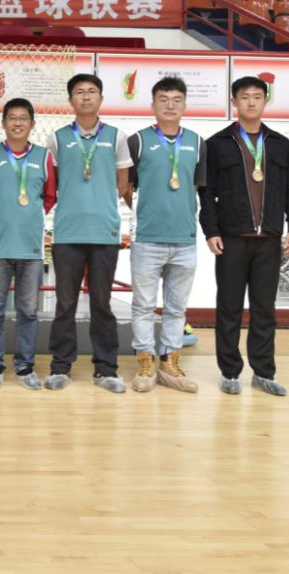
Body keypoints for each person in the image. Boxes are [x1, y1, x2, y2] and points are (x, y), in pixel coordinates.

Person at [200, 76, 289, 397]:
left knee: (264, 309)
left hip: (269, 240)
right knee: (229, 307)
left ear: (265, 101)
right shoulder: (217, 144)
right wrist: (211, 231)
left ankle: (263, 372)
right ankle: (230, 372)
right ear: (234, 102)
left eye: (257, 97)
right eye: (244, 97)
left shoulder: (280, 144)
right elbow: (207, 193)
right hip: (232, 239)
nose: (251, 102)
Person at [45, 74, 132, 393]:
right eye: (79, 92)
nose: (85, 97)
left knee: (102, 304)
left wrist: (99, 205)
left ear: (101, 98)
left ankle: (106, 369)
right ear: (70, 100)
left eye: (92, 91)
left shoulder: (117, 137)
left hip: (104, 233)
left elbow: (123, 184)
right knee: (65, 304)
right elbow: (52, 183)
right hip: (67, 233)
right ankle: (60, 366)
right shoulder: (57, 139)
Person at [123, 77, 205, 394]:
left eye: (176, 100)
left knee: (176, 309)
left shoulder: (197, 142)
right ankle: (145, 362)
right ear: (153, 104)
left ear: (184, 105)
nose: (170, 105)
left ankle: (170, 364)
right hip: (147, 239)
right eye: (163, 99)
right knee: (143, 306)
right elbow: (126, 186)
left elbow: (196, 187)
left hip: (185, 240)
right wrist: (145, 212)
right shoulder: (138, 141)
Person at [0, 98, 55, 390]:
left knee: (28, 311)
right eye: (12, 118)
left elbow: (49, 196)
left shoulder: (44, 157)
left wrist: (28, 220)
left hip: (30, 249)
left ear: (32, 124)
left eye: (23, 118)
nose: (17, 123)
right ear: (3, 123)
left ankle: (24, 366)